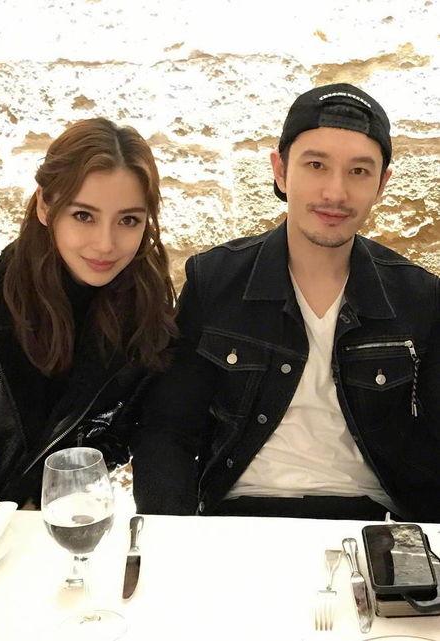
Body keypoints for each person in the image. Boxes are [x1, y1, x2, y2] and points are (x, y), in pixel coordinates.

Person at [131, 83, 440, 522]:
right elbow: (167, 430)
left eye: (358, 171)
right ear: (281, 170)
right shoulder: (215, 281)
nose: (335, 193)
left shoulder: (418, 297)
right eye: (316, 165)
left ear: (381, 184)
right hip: (241, 516)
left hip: (372, 522)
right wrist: (172, 534)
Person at [0, 117, 176, 507]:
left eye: (128, 220)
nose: (105, 244)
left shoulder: (145, 319)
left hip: (55, 528)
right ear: (46, 206)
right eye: (84, 215)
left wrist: (62, 493)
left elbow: (122, 436)